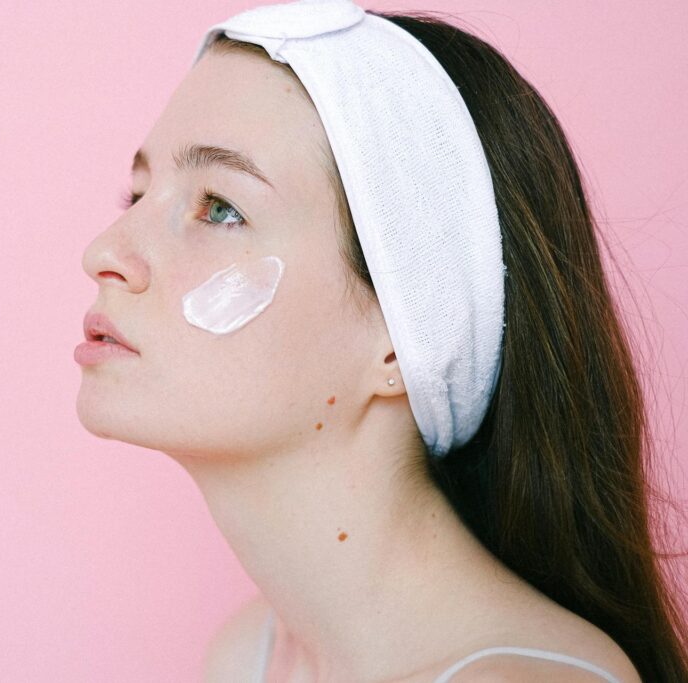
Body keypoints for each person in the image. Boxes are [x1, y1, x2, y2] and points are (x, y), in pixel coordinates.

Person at [74, 2, 687, 680]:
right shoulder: (246, 657)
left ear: (403, 340)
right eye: (136, 195)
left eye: (220, 207)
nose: (105, 251)